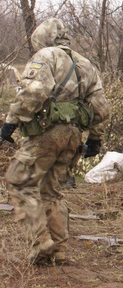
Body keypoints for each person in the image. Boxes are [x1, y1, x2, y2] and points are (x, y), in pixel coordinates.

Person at [0, 18, 110, 265]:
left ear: (41, 38)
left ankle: (41, 244)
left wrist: (11, 122)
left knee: (19, 181)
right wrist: (95, 138)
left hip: (45, 134)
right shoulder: (85, 63)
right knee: (52, 192)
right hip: (73, 136)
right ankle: (58, 251)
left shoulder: (45, 56)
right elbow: (101, 106)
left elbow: (34, 91)